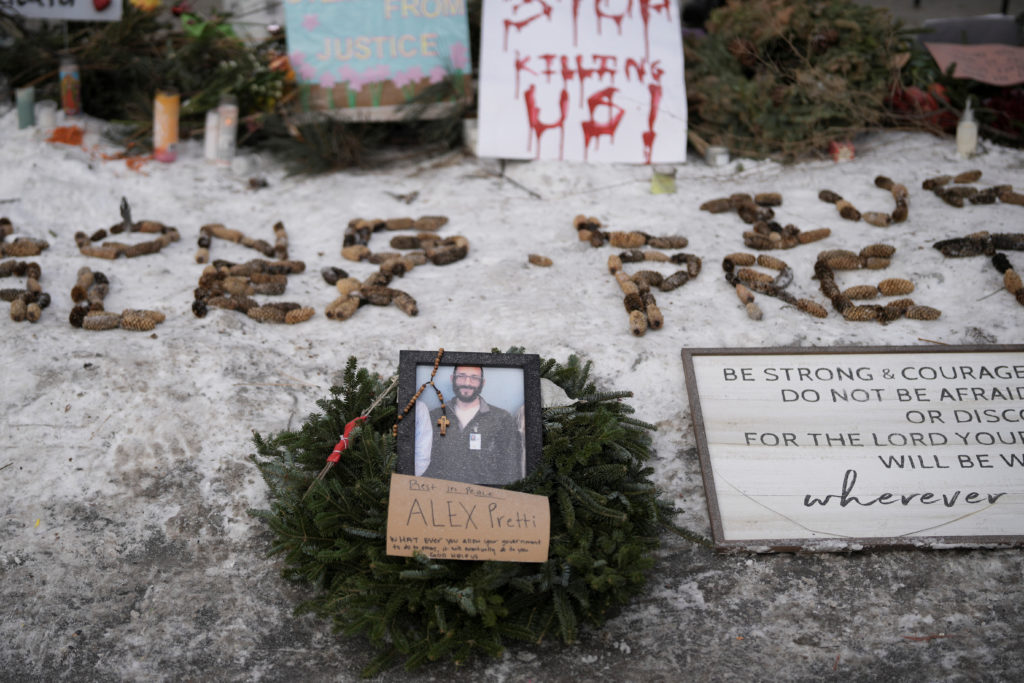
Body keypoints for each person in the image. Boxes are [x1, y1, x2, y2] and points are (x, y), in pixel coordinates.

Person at [422, 365, 523, 485]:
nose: (467, 382)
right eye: (461, 376)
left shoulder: (502, 418)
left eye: (474, 378)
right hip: (440, 496)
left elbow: (510, 467)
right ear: (452, 379)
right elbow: (422, 461)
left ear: (482, 382)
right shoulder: (433, 416)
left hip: (486, 498)